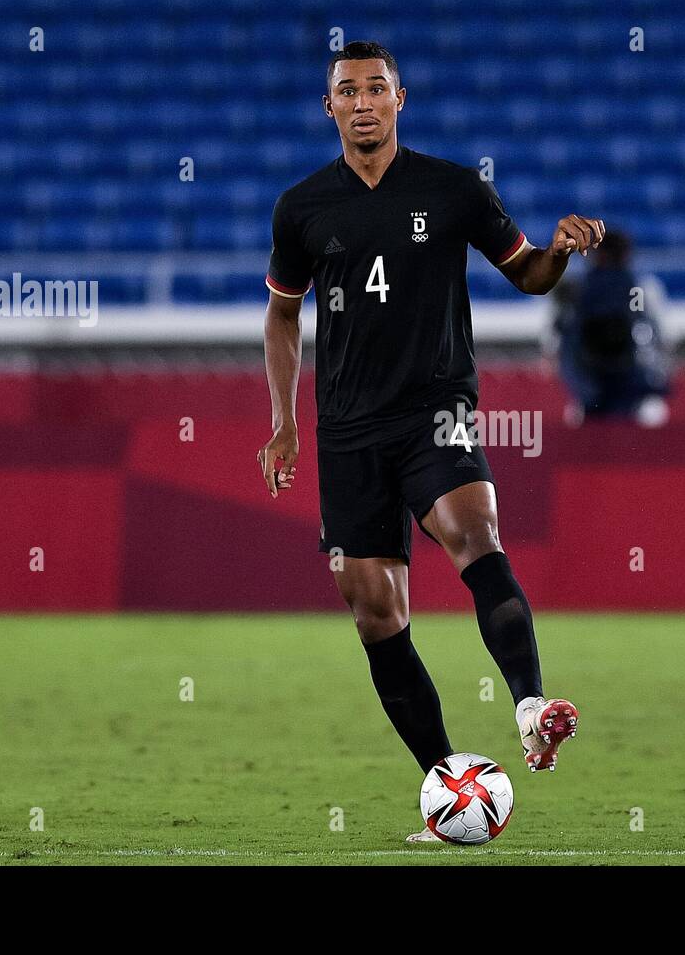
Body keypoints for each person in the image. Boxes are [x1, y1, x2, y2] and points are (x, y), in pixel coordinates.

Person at [256, 41, 603, 842]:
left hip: (435, 409)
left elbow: (529, 275)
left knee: (471, 530)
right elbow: (281, 316)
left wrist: (558, 249)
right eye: (350, 90)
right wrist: (283, 422)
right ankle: (451, 788)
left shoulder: (453, 189)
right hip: (347, 431)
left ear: (401, 99)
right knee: (376, 611)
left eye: (379, 87)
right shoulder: (302, 208)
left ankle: (529, 706)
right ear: (330, 108)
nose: (366, 100)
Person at [547, 230, 672, 427]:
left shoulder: (578, 290)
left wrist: (579, 388)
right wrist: (651, 385)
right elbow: (654, 338)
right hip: (625, 385)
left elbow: (556, 345)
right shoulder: (640, 289)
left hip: (593, 385)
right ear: (626, 255)